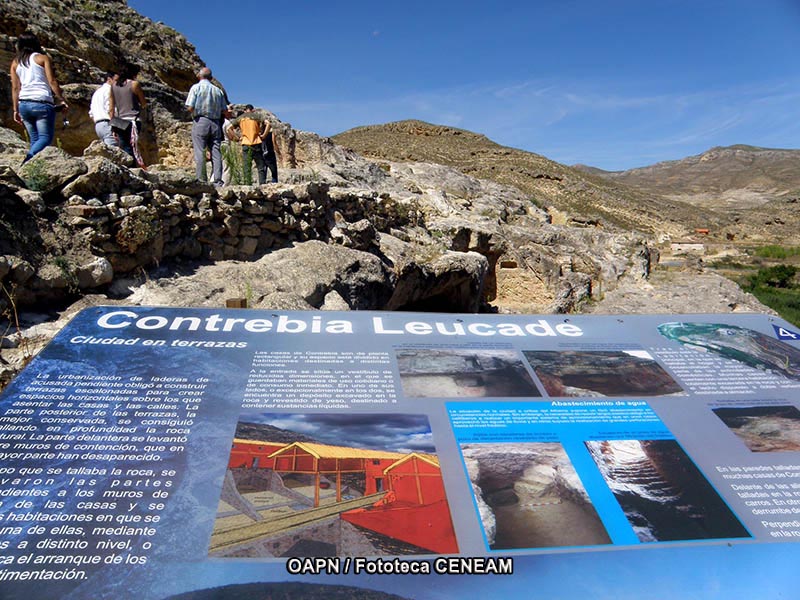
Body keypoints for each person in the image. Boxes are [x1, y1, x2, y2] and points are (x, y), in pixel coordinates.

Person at [9, 31, 68, 163]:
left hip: (23, 104)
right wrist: (61, 99)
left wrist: (15, 109)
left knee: (35, 140)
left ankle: (30, 170)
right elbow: (52, 81)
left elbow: (15, 88)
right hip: (41, 102)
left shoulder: (15, 63)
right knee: (45, 138)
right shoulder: (42, 58)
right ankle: (26, 162)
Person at [185, 67, 227, 186]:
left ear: (200, 75)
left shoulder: (196, 87)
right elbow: (224, 109)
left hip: (201, 121)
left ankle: (201, 179)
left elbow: (190, 106)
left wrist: (193, 113)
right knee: (216, 151)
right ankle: (217, 180)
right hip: (215, 123)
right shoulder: (218, 91)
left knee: (200, 151)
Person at [109, 64, 146, 167]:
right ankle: (134, 168)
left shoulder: (113, 86)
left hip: (119, 120)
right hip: (133, 120)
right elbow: (143, 103)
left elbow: (111, 107)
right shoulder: (134, 84)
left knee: (124, 146)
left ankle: (129, 167)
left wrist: (112, 124)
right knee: (133, 147)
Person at [232, 104, 268, 184]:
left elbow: (228, 128)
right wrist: (263, 135)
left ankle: (247, 184)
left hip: (245, 142)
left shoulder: (241, 118)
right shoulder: (257, 116)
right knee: (260, 166)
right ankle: (262, 184)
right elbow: (268, 123)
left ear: (245, 110)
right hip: (256, 142)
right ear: (253, 110)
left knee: (246, 166)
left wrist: (236, 138)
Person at [88, 71, 118, 147]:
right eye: (116, 80)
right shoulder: (110, 91)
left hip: (98, 125)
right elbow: (110, 109)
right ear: (109, 79)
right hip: (108, 123)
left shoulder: (97, 92)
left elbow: (91, 114)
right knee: (113, 152)